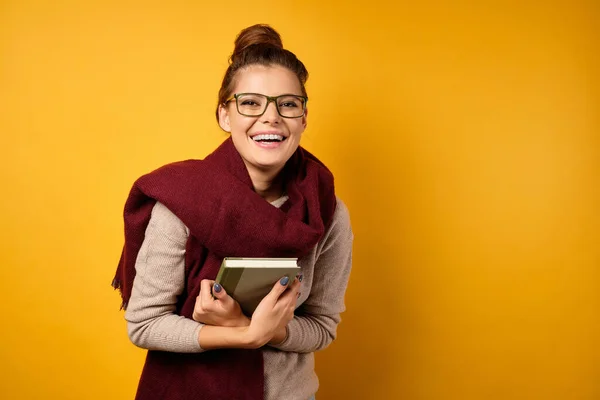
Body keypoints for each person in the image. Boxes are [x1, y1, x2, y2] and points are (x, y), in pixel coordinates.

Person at [112, 24, 353, 400]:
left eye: (287, 104)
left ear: (303, 118)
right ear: (225, 116)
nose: (271, 117)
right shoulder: (182, 200)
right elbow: (145, 324)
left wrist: (259, 327)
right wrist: (248, 334)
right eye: (251, 103)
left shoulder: (327, 212)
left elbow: (321, 326)